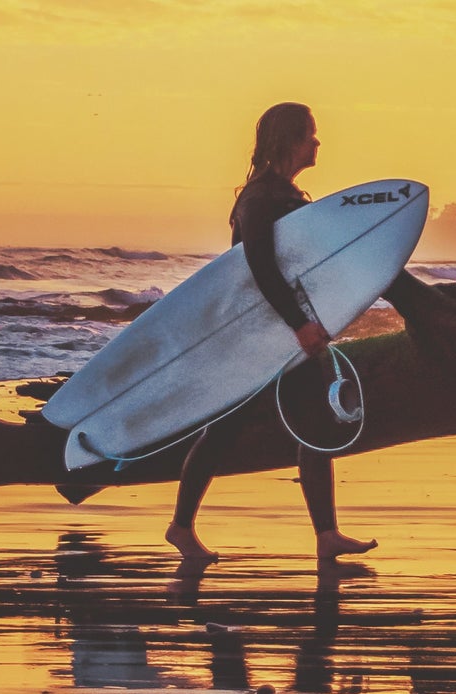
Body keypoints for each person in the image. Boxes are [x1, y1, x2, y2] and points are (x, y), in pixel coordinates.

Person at [166, 103, 380, 566]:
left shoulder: (282, 195)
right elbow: (260, 269)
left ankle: (326, 534)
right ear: (289, 140)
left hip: (281, 331)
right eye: (310, 135)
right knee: (223, 432)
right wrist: (300, 324)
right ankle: (181, 527)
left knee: (316, 429)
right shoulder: (262, 198)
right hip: (253, 335)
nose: (318, 143)